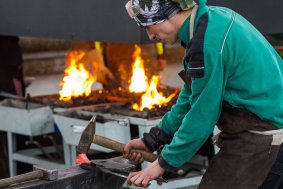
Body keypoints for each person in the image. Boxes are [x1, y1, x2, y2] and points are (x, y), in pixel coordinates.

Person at [123, 0, 283, 188]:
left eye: (150, 26)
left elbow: (202, 116)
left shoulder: (207, 44)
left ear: (169, 13)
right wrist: (154, 138)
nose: (150, 36)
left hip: (266, 142)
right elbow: (191, 95)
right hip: (257, 133)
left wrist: (163, 163)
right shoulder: (211, 18)